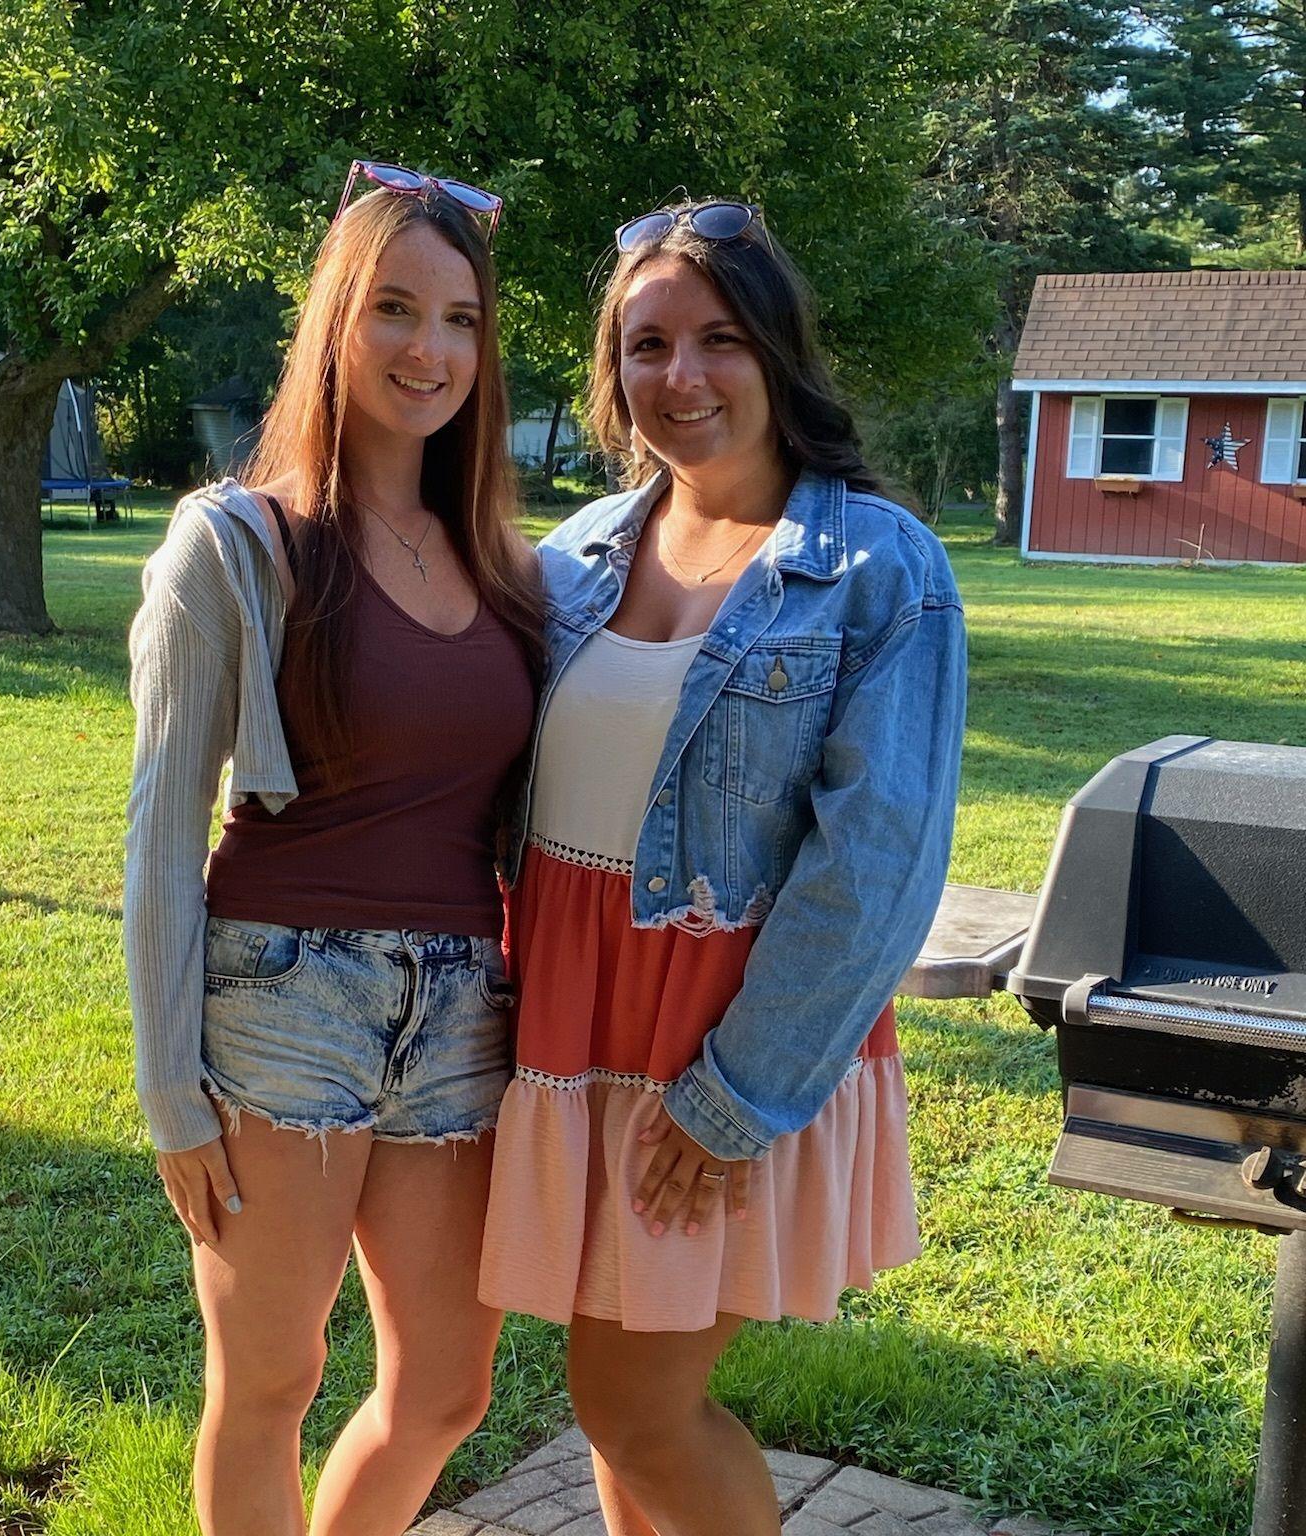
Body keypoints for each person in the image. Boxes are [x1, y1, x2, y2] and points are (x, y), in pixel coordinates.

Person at [478, 199, 967, 1536]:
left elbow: (879, 866)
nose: (680, 376)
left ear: (777, 352)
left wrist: (735, 1094)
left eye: (719, 340)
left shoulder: (877, 568)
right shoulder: (578, 554)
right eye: (647, 345)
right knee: (618, 1403)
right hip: (574, 1024)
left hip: (723, 1034)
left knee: (633, 1404)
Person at [123, 163, 543, 1536]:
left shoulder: (502, 563)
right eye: (396, 310)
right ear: (335, 322)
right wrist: (171, 1093)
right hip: (283, 997)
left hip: (463, 1009)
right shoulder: (238, 545)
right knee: (270, 1380)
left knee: (445, 1390)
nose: (431, 349)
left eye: (462, 319)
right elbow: (160, 832)